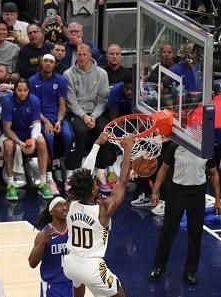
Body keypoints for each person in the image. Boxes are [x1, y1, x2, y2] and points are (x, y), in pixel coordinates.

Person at [63, 133, 134, 297]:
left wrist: (97, 144)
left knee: (78, 281)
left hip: (70, 263)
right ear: (94, 190)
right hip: (92, 267)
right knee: (120, 294)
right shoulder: (103, 210)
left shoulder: (69, 203)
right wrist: (127, 150)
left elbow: (83, 174)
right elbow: (122, 183)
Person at [149, 143, 221, 284]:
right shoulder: (175, 146)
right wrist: (155, 191)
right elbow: (164, 169)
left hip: (197, 193)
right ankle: (158, 267)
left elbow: (214, 173)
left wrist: (217, 200)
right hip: (177, 192)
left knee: (195, 233)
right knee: (168, 231)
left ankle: (190, 271)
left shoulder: (207, 148)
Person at [63, 43, 110, 192]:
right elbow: (71, 101)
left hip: (96, 112)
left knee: (104, 131)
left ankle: (101, 173)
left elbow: (103, 100)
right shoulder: (68, 74)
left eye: (85, 54)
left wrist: (94, 117)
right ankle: (76, 175)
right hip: (77, 113)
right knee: (80, 131)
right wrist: (84, 116)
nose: (81, 57)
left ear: (91, 55)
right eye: (79, 54)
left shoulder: (102, 74)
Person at [29, 54, 73, 196]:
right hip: (40, 118)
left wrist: (59, 121)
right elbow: (33, 106)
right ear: (41, 62)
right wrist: (46, 122)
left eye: (51, 62)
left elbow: (62, 104)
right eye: (46, 61)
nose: (48, 64)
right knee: (49, 137)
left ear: (55, 65)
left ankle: (62, 166)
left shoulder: (60, 80)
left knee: (68, 135)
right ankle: (50, 175)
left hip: (57, 118)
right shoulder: (32, 81)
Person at [1, 78, 51, 200]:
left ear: (29, 90)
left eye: (25, 90)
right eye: (19, 90)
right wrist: (19, 142)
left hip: (27, 130)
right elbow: (7, 128)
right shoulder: (7, 101)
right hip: (12, 131)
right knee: (8, 146)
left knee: (42, 142)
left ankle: (43, 183)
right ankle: (11, 184)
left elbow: (37, 124)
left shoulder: (34, 100)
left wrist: (33, 140)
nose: (22, 93)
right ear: (15, 90)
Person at [28, 196, 73, 297]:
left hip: (73, 284)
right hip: (52, 286)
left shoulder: (74, 230)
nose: (64, 207)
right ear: (51, 211)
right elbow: (32, 263)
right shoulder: (43, 234)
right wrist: (43, 241)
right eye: (59, 205)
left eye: (65, 205)